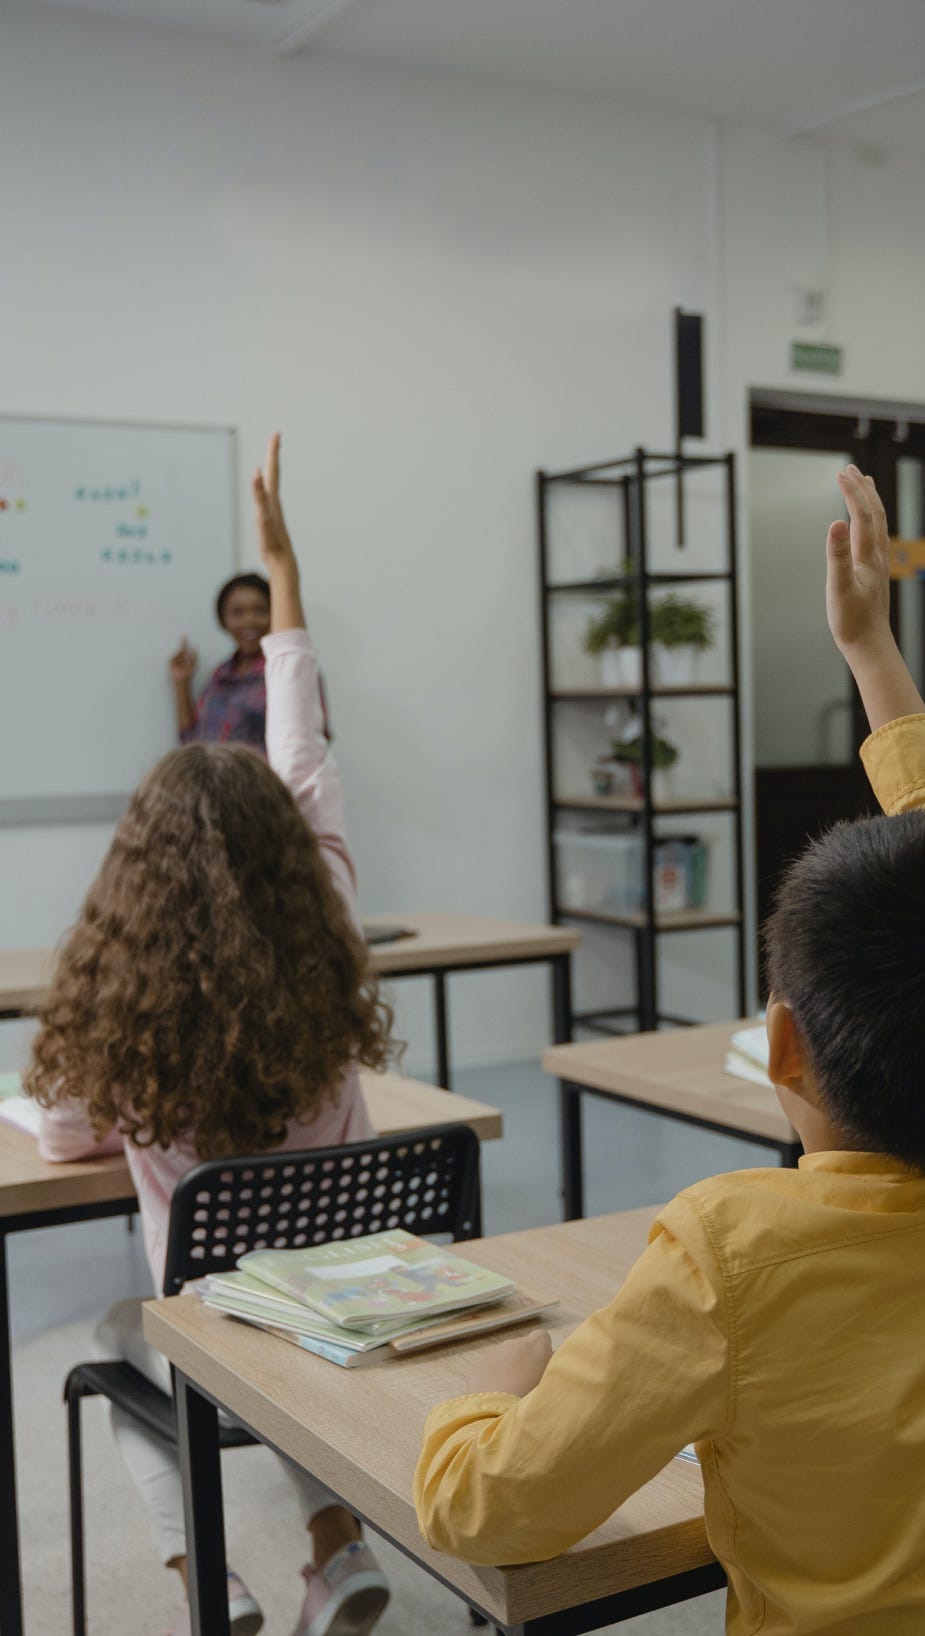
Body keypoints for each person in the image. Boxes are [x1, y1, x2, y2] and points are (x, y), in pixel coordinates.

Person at [412, 467, 925, 1635]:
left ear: (780, 1043)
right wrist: (870, 651)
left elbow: (486, 1508)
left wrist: (482, 1401)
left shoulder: (724, 1255)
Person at [30, 436, 394, 1636]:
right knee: (281, 1326)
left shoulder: (123, 1010)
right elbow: (300, 745)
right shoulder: (329, 913)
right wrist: (285, 563)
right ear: (295, 852)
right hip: (345, 1298)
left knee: (126, 1330)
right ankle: (337, 1548)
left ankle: (208, 1584)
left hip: (222, 1321)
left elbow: (73, 1136)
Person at [170, 573, 272, 752]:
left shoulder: (288, 672)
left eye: (260, 610)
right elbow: (192, 740)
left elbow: (308, 746)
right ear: (223, 620)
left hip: (263, 780)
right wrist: (181, 683)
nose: (249, 620)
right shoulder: (221, 675)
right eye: (237, 612)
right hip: (212, 780)